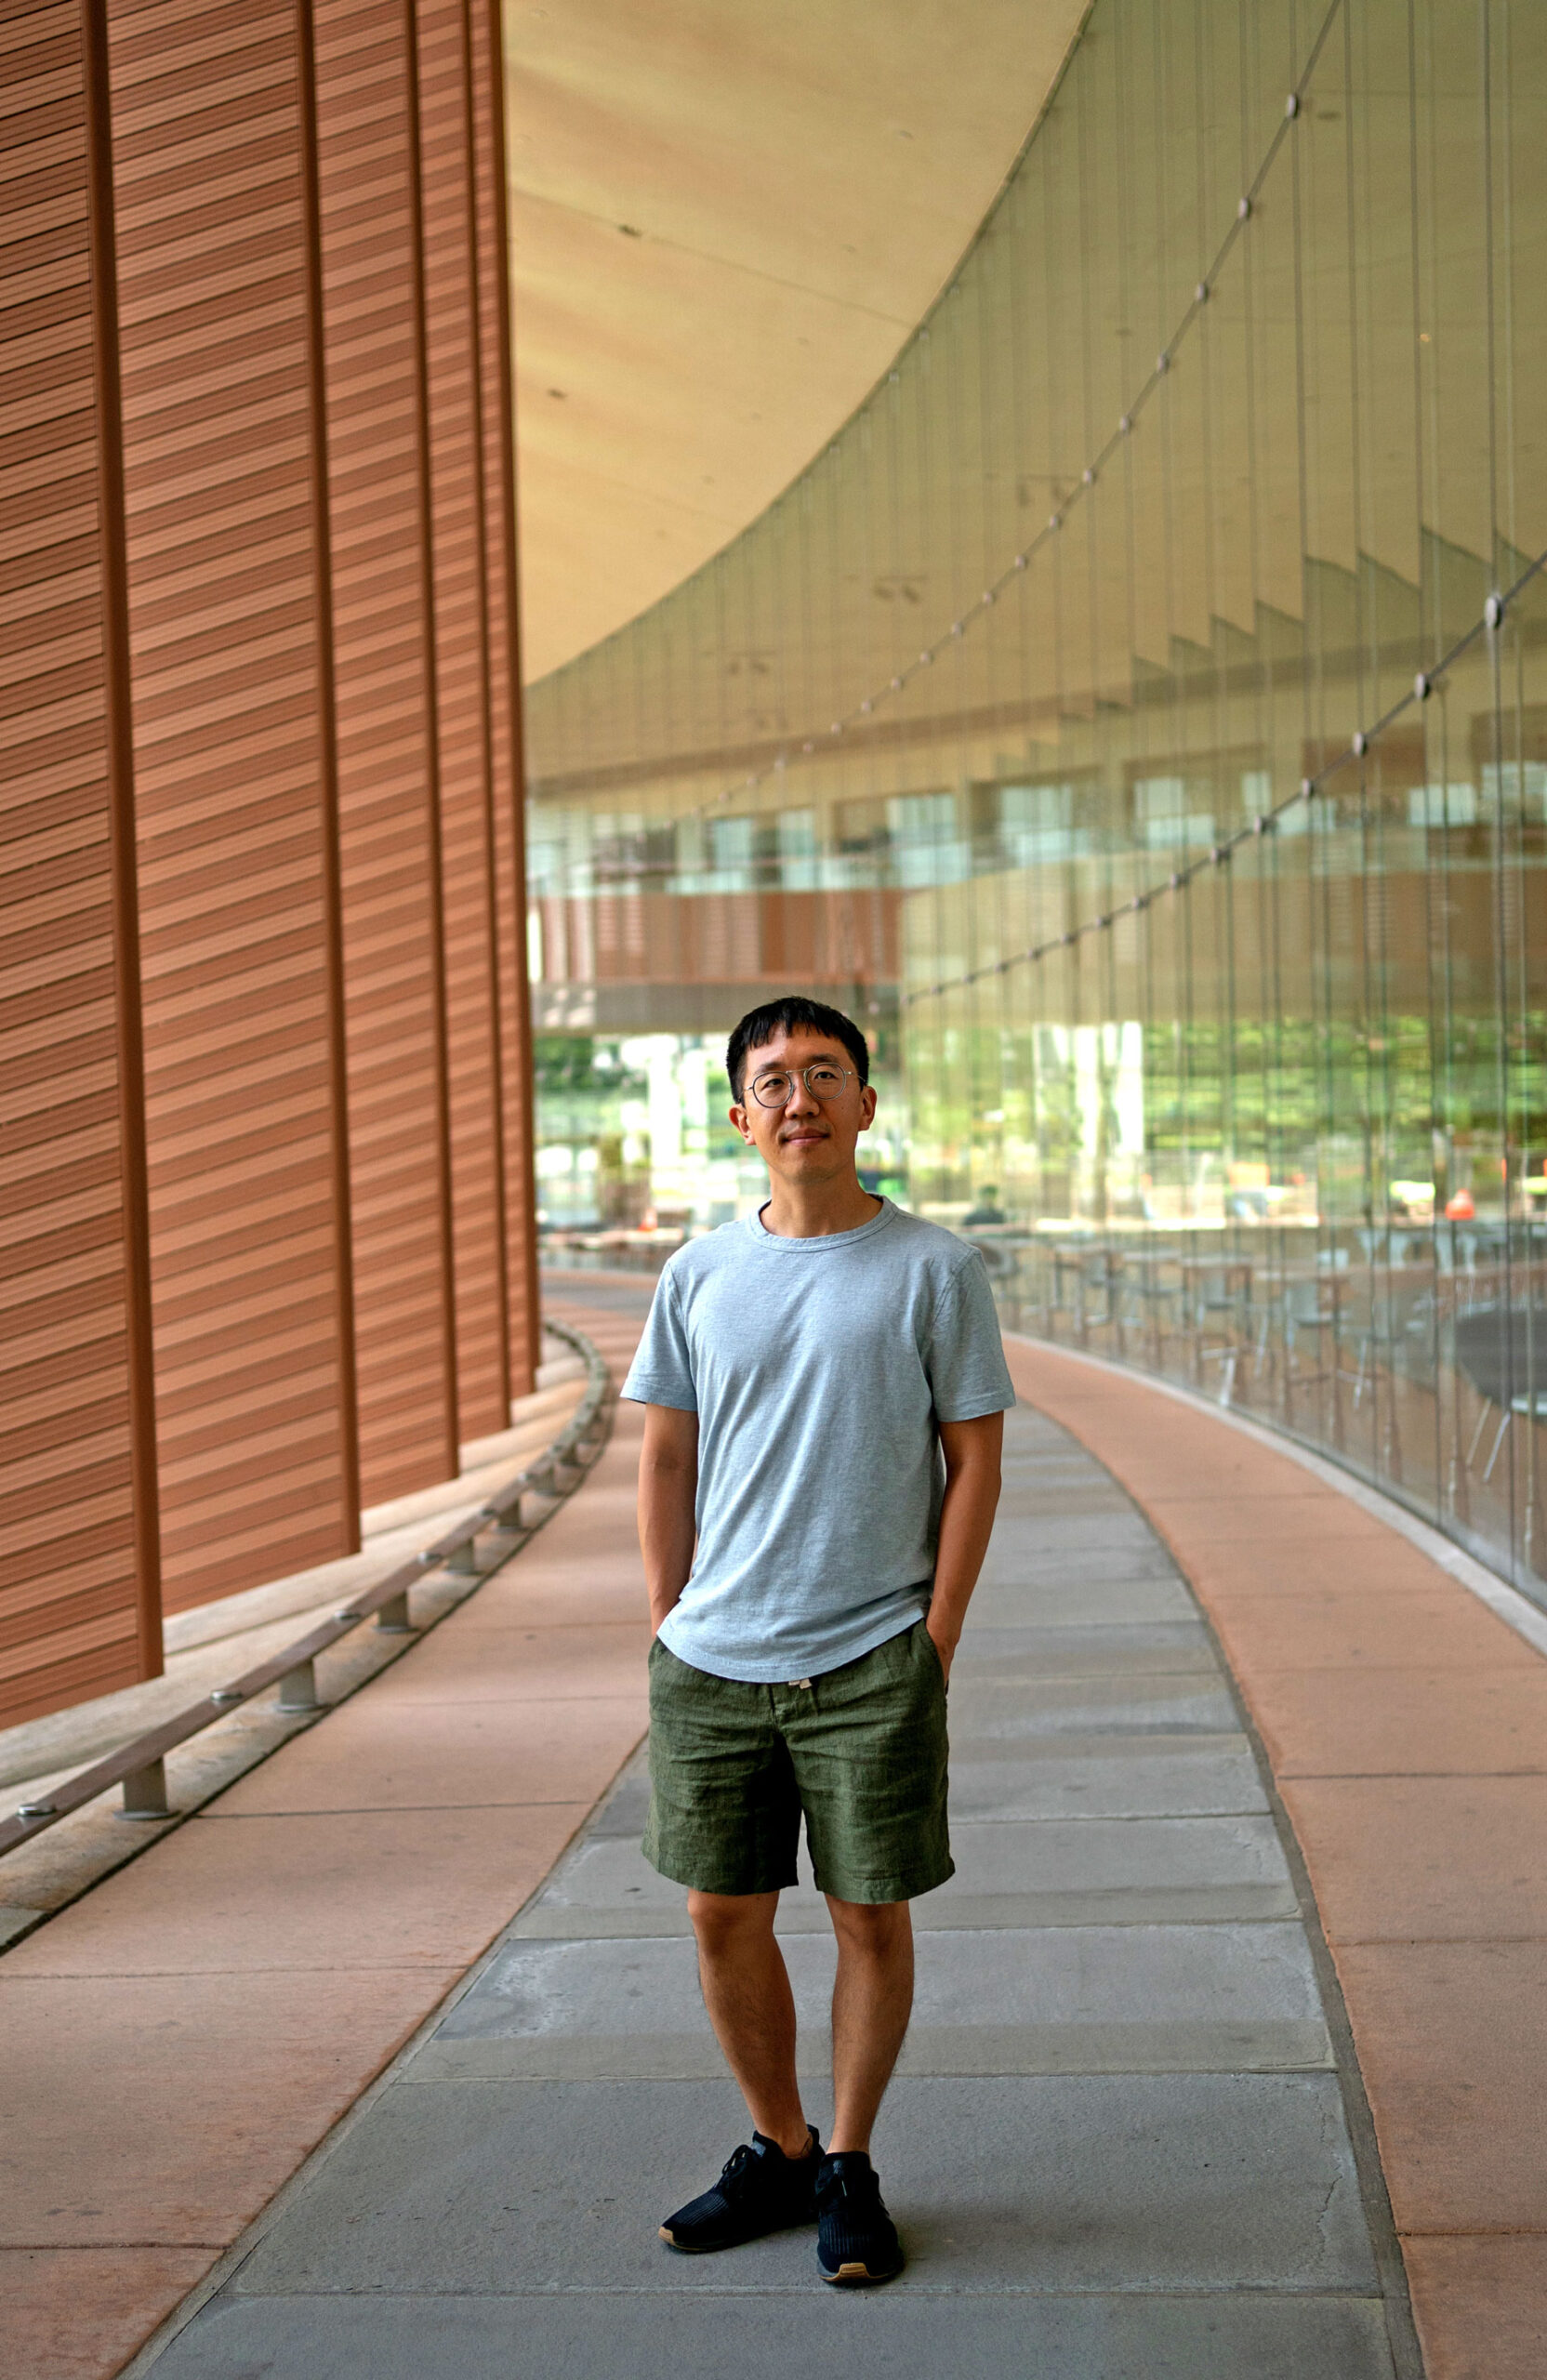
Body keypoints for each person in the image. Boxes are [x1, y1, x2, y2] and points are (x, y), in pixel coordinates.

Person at [621, 994, 1013, 2286]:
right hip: (714, 1662)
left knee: (868, 1917)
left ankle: (848, 2162)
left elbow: (974, 1464)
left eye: (826, 1073)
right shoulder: (697, 1274)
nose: (802, 1096)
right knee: (720, 1911)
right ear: (742, 1117)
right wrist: (669, 1617)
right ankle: (778, 2147)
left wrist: (937, 1634)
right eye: (776, 1079)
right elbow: (665, 1453)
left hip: (870, 1659)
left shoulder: (935, 1269)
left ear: (865, 1105)